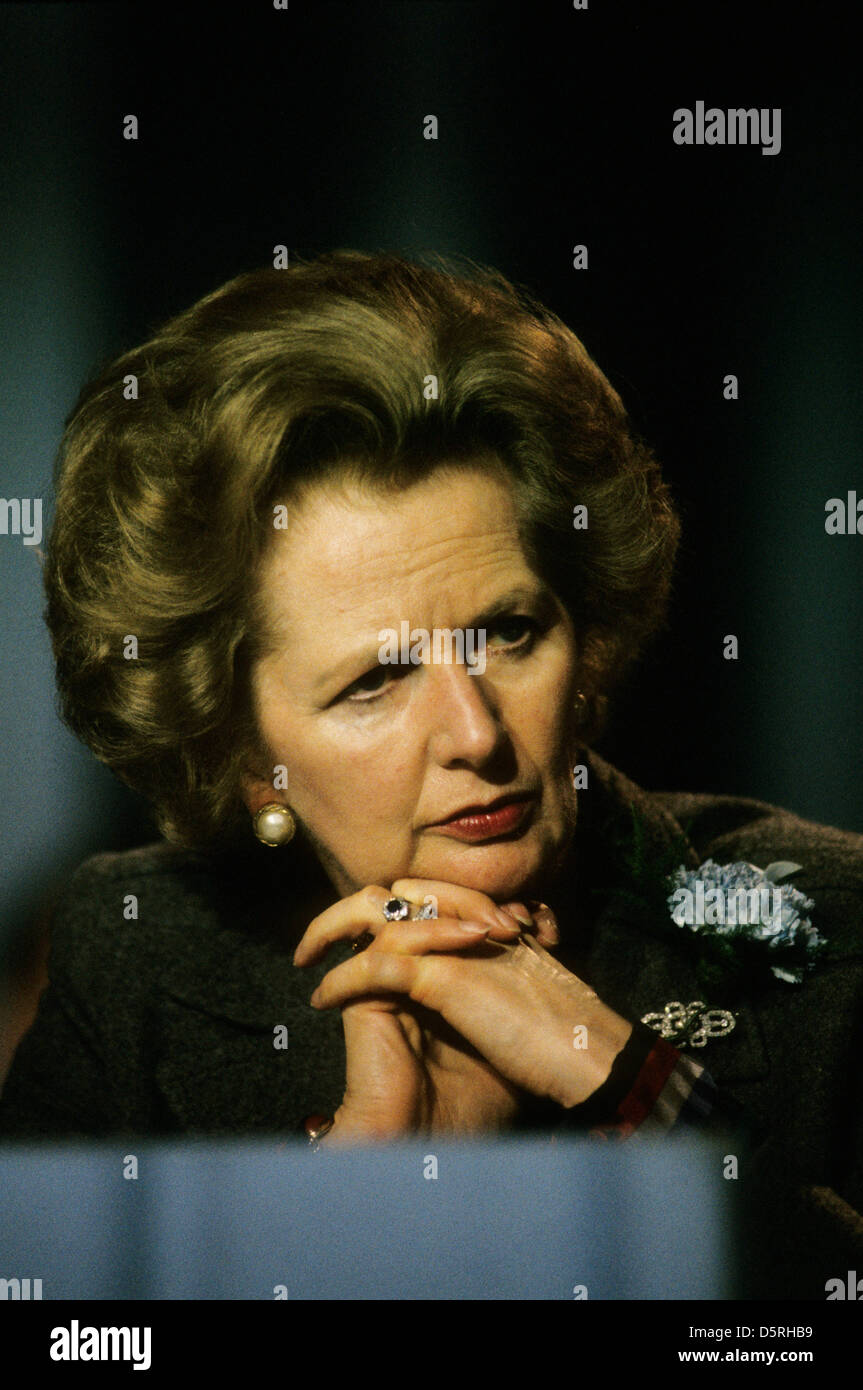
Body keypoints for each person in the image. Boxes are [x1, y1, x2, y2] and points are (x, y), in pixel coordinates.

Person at [2, 249, 862, 1298]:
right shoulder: (136, 960)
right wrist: (354, 1209)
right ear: (244, 756)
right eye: (373, 680)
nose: (473, 733)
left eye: (507, 631)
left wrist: (626, 1082)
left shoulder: (826, 927)